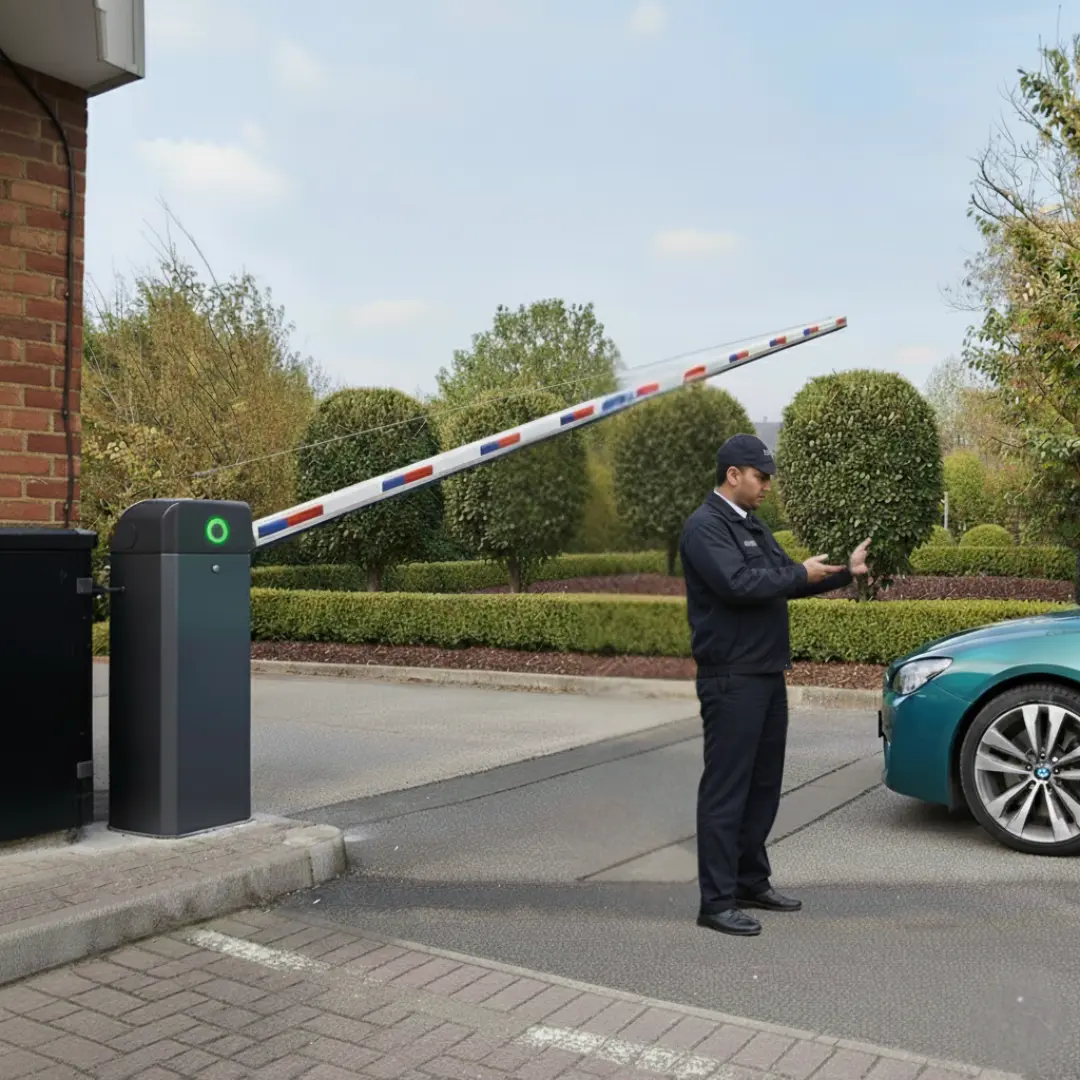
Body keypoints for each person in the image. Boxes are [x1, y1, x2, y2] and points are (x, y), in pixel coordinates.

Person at [679, 433, 870, 937]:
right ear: (733, 475)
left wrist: (843, 575)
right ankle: (715, 901)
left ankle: (749, 881)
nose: (767, 485)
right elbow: (740, 585)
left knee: (762, 786)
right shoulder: (705, 528)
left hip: (764, 674)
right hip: (731, 677)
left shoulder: (752, 525)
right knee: (727, 790)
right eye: (761, 477)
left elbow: (788, 577)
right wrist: (798, 574)